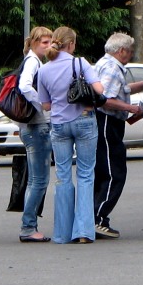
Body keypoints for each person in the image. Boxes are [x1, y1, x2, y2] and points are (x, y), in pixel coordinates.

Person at [37, 26, 103, 244]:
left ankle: (62, 233)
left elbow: (45, 104)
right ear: (72, 44)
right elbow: (100, 90)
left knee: (63, 176)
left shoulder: (44, 70)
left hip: (58, 125)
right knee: (85, 174)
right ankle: (83, 231)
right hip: (83, 120)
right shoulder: (80, 63)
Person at [91, 33, 143, 239]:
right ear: (121, 51)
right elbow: (105, 99)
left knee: (101, 171)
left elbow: (123, 89)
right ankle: (98, 218)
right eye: (129, 51)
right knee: (113, 172)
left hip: (103, 122)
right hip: (107, 122)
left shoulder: (104, 63)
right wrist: (131, 108)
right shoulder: (112, 68)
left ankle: (92, 217)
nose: (130, 55)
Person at [17, 26, 53, 243]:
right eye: (43, 42)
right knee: (39, 180)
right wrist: (42, 105)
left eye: (50, 42)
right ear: (33, 43)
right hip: (36, 126)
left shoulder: (35, 61)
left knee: (36, 179)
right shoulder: (32, 61)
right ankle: (28, 226)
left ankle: (29, 224)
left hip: (31, 126)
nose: (47, 46)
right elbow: (24, 86)